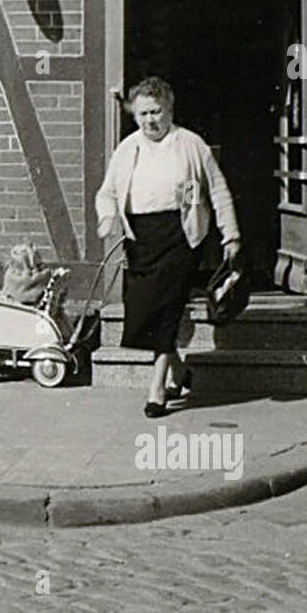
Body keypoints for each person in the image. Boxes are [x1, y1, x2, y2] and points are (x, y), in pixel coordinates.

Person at [95, 77, 240, 418]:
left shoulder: (190, 144)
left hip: (180, 236)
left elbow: (218, 190)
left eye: (156, 112)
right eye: (143, 113)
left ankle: (157, 388)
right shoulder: (128, 148)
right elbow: (107, 193)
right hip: (140, 239)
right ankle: (180, 372)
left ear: (169, 110)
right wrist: (107, 218)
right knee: (144, 312)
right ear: (134, 115)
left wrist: (230, 234)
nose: (150, 120)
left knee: (168, 308)